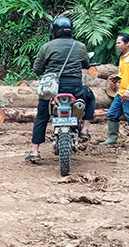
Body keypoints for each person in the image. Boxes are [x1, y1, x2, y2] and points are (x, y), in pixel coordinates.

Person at [25, 17, 96, 161]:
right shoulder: (80, 46)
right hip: (75, 89)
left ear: (54, 31)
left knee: (42, 115)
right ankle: (85, 129)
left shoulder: (47, 46)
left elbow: (37, 69)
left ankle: (34, 151)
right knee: (91, 97)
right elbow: (86, 64)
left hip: (53, 90)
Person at [100, 33, 129, 152]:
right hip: (121, 92)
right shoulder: (123, 57)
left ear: (127, 43)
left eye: (119, 43)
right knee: (112, 114)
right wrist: (118, 77)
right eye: (116, 43)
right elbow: (125, 74)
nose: (117, 45)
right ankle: (112, 138)